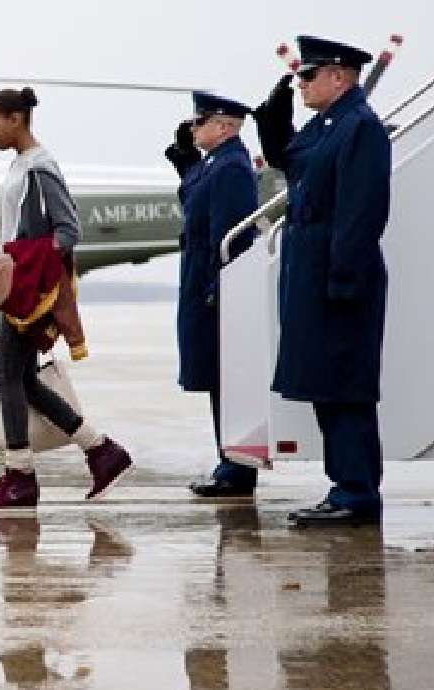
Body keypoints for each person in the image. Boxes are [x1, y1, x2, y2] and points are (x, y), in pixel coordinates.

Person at [256, 36, 391, 526]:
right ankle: (345, 487)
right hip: (312, 273)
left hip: (338, 275)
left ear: (340, 76)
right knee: (324, 383)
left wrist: (344, 278)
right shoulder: (325, 125)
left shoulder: (360, 128)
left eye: (309, 76)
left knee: (345, 387)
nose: (302, 84)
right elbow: (292, 162)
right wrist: (272, 121)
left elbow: (361, 211)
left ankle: (356, 492)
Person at [0, 87, 133, 508]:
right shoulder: (21, 165)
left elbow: (67, 230)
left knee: (6, 374)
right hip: (21, 289)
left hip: (34, 291)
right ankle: (101, 451)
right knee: (21, 378)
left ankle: (21, 474)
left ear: (15, 119)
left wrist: (32, 273)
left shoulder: (40, 168)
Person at [164, 92, 260, 498]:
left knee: (226, 377)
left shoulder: (232, 167)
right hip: (200, 280)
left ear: (223, 126)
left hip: (212, 285)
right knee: (215, 374)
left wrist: (221, 288)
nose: (193, 128)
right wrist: (185, 161)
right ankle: (230, 460)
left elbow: (230, 238)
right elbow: (196, 206)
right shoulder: (214, 165)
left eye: (200, 122)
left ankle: (236, 468)